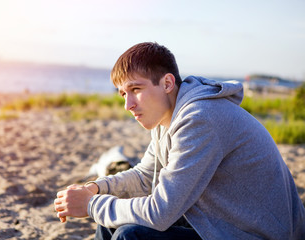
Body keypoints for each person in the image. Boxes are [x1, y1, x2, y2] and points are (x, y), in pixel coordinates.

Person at [54, 42, 305, 240]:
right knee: (112, 225)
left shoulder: (199, 119)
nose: (128, 105)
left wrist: (91, 205)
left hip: (257, 234)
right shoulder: (168, 116)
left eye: (136, 90)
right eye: (122, 94)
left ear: (167, 83)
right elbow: (145, 176)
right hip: (221, 221)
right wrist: (96, 189)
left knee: (131, 235)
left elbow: (160, 213)